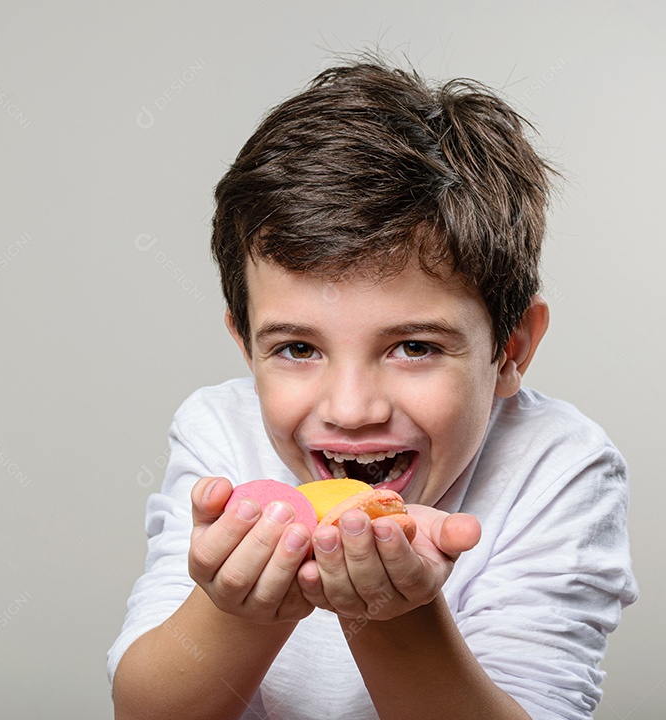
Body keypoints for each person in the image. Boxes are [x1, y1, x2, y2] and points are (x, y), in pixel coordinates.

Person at [108, 53, 638, 720]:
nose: (351, 411)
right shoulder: (219, 434)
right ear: (246, 346)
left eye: (413, 347)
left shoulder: (559, 467)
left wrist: (396, 613)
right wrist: (239, 611)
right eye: (298, 349)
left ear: (510, 349)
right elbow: (147, 712)